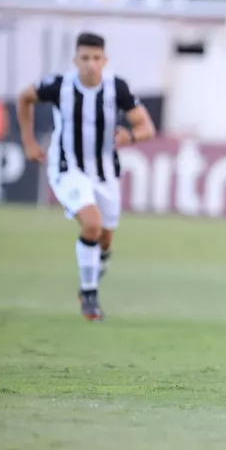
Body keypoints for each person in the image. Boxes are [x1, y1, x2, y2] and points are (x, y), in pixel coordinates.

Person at [16, 32, 156, 321]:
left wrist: (130, 136)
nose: (91, 64)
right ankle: (89, 296)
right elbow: (24, 98)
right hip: (67, 168)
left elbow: (147, 127)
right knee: (92, 224)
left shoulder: (117, 88)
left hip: (104, 172)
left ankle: (93, 271)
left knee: (105, 238)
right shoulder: (59, 86)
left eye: (96, 58)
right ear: (75, 60)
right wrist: (28, 142)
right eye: (85, 58)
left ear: (104, 60)